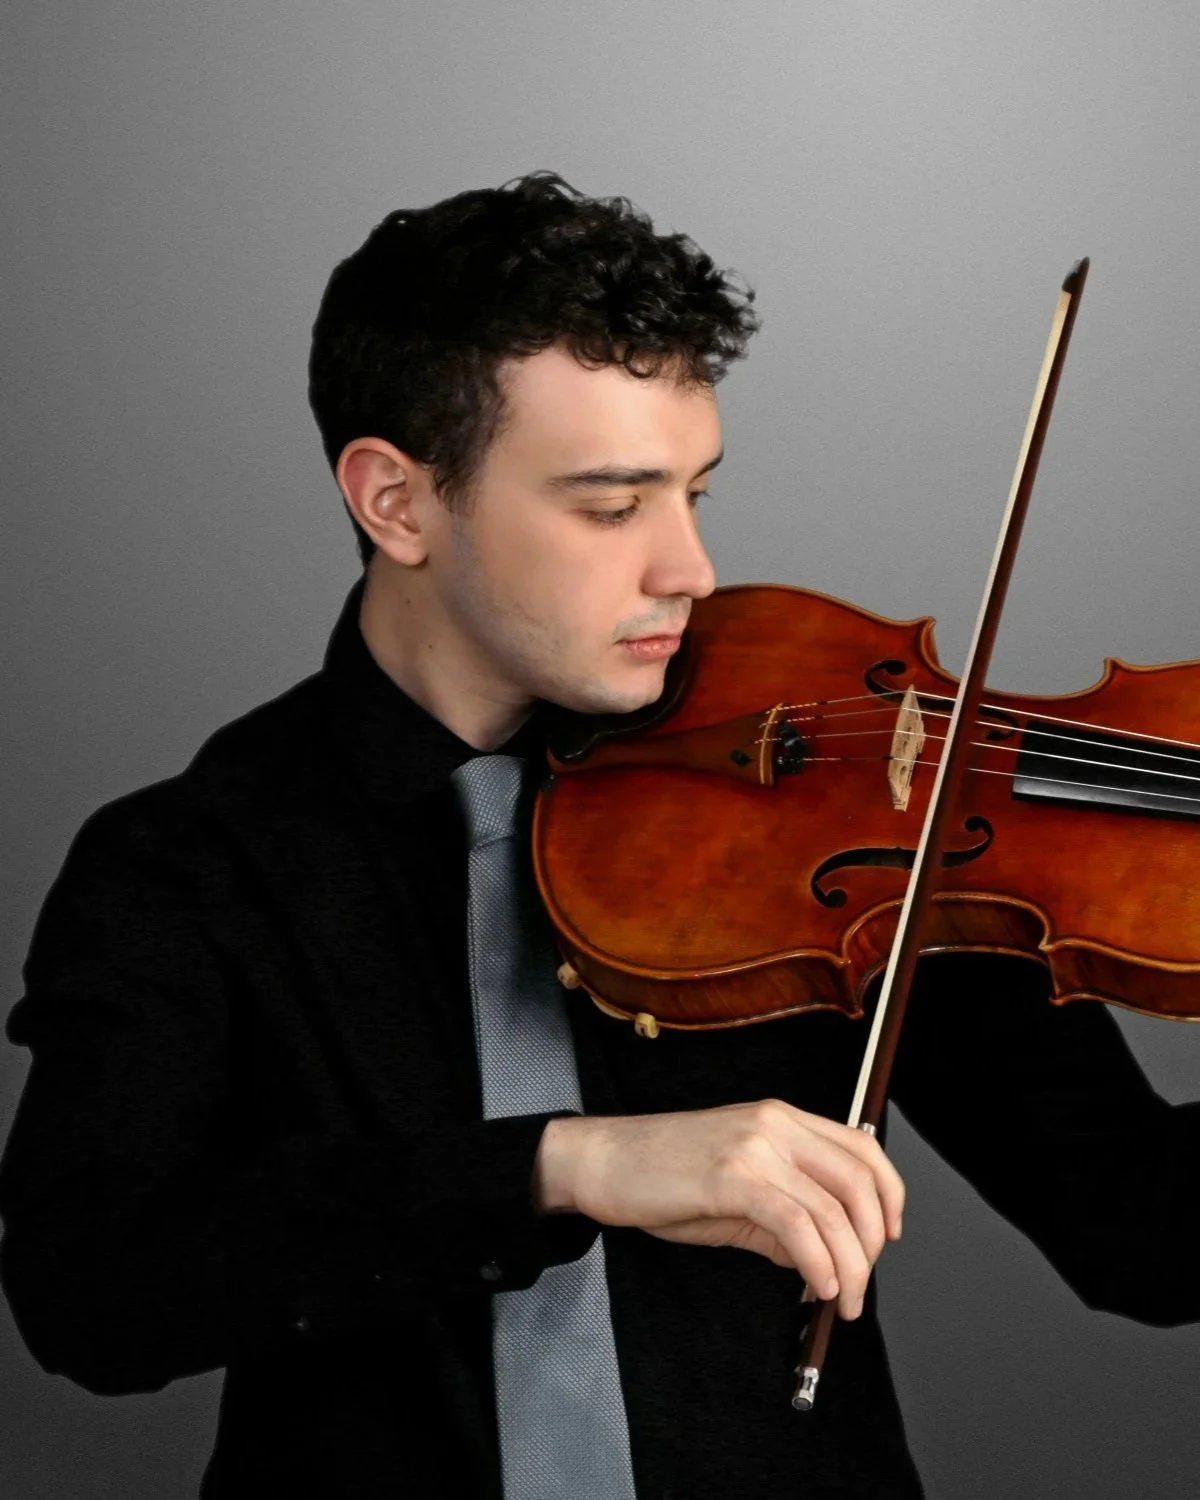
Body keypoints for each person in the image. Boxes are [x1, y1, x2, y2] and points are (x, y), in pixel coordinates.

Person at [1, 170, 1197, 1500]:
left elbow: (1146, 1229)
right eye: (613, 504)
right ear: (395, 501)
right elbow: (91, 1292)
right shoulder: (190, 865)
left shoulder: (853, 820)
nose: (687, 568)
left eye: (696, 490)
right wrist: (564, 1167)